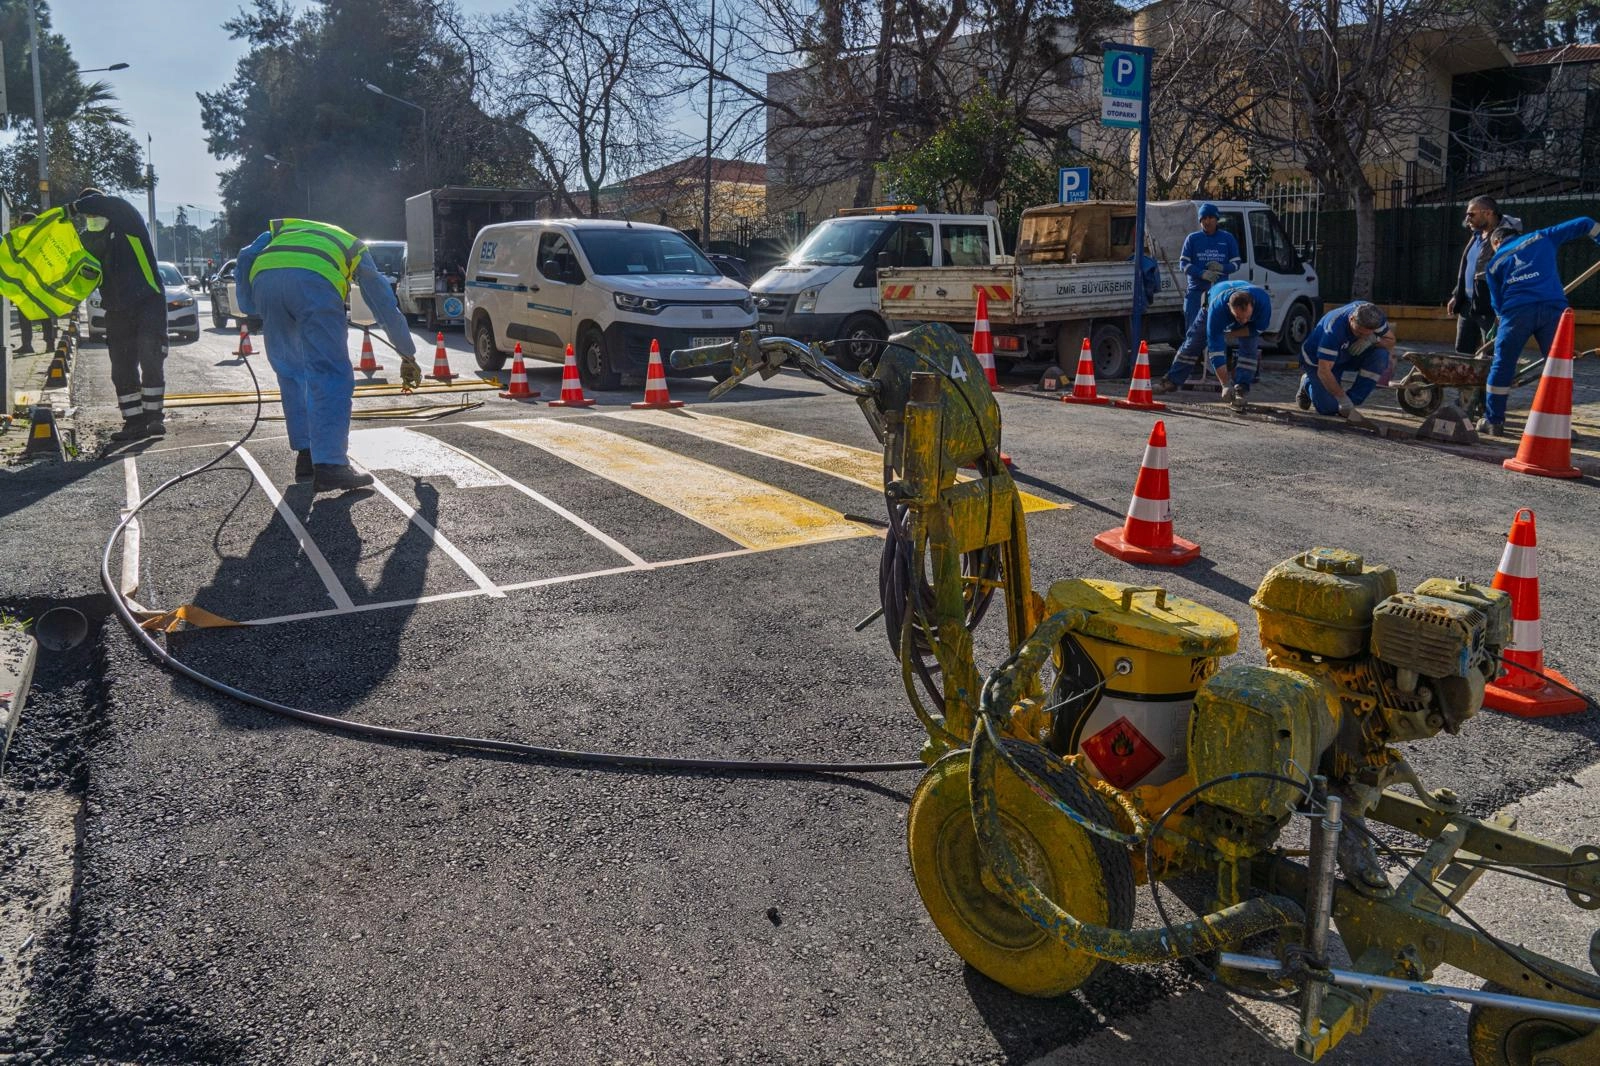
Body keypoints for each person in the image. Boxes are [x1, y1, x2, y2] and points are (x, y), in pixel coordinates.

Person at [235, 217, 418, 492]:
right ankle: (331, 465)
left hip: (266, 283)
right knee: (330, 374)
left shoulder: (281, 230)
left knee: (291, 372)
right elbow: (383, 305)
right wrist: (407, 354)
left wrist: (249, 304)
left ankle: (307, 456)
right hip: (314, 286)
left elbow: (246, 255)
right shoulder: (352, 245)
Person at [1481, 215, 1600, 435]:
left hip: (1516, 313)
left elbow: (1497, 304)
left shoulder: (1493, 264)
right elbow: (1585, 222)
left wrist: (1501, 324)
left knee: (1502, 365)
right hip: (1554, 310)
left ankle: (1493, 421)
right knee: (1558, 367)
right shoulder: (1541, 237)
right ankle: (1559, 426)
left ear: (1496, 242)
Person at [70, 189, 167, 440]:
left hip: (148, 301)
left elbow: (110, 204)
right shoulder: (89, 238)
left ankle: (154, 417)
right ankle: (133, 421)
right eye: (88, 215)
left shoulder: (128, 222)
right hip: (116, 308)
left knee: (150, 356)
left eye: (95, 212)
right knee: (121, 367)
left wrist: (71, 207)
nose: (92, 217)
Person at [1151, 279, 1270, 410]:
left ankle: (1240, 389)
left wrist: (1231, 334)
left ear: (1251, 305)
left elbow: (1256, 329)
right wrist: (1224, 384)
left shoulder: (1263, 301)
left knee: (1249, 350)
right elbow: (1216, 350)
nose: (1243, 321)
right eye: (1238, 318)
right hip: (1211, 302)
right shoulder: (1217, 309)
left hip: (1240, 302)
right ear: (1229, 308)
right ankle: (1170, 381)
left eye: (1246, 317)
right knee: (1193, 342)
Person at [1295, 301, 1397, 417]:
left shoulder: (1374, 316)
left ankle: (1353, 400)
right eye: (1359, 333)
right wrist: (1342, 398)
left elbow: (1390, 341)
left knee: (1380, 355)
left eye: (1367, 334)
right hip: (1318, 362)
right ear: (1351, 319)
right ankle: (1307, 382)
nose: (1362, 336)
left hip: (1347, 354)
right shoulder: (1333, 330)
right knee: (1328, 408)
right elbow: (1324, 371)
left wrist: (1372, 340)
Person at [1447, 196, 1502, 356]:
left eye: (1472, 214)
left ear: (1488, 213)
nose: (1467, 219)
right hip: (1467, 304)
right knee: (1463, 351)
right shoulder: (1477, 236)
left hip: (1488, 306)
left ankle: (1491, 381)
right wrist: (1457, 294)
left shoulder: (1502, 238)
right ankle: (1465, 380)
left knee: (1491, 352)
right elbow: (1468, 268)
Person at [1178, 202, 1241, 327]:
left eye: (1211, 217)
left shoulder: (1227, 238)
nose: (1207, 221)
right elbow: (1184, 264)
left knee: (1216, 331)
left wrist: (1222, 267)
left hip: (1219, 294)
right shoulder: (1192, 239)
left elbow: (1236, 264)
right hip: (1196, 294)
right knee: (1193, 331)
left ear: (1217, 219)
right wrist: (1201, 273)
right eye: (1204, 218)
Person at [12, 211, 59, 356]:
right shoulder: (44, 237)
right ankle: (49, 344)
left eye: (21, 222)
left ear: (25, 223)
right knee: (44, 314)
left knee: (25, 315)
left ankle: (28, 344)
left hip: (29, 283)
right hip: (41, 283)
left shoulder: (23, 238)